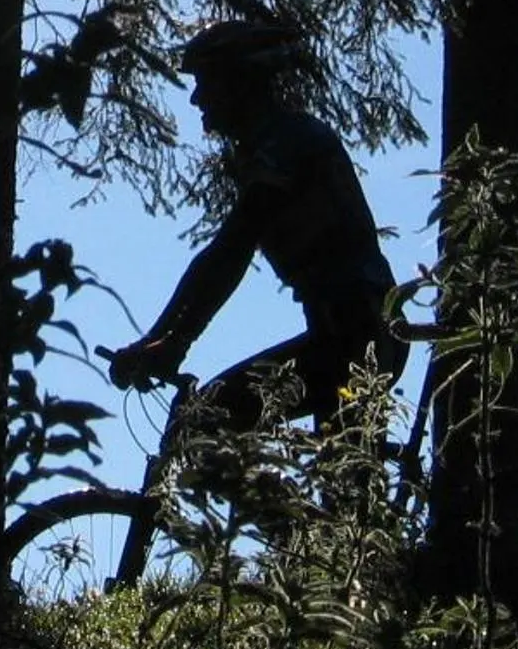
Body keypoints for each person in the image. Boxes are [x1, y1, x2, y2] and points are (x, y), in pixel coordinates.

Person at [103, 22, 407, 439]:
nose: (196, 98)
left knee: (206, 420)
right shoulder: (268, 146)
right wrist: (160, 339)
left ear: (239, 81)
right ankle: (272, 503)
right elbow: (226, 253)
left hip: (357, 333)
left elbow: (231, 249)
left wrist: (172, 340)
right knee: (217, 423)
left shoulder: (289, 142)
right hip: (345, 330)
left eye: (206, 82)